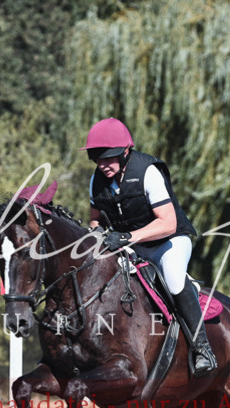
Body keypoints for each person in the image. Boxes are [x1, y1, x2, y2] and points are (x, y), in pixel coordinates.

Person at [82, 117, 218, 378]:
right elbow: (95, 218)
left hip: (169, 241)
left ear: (125, 152)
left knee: (175, 281)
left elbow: (167, 223)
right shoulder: (96, 180)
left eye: (108, 158)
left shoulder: (147, 171)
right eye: (98, 158)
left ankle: (202, 348)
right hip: (133, 245)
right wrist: (97, 233)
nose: (102, 164)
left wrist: (126, 237)